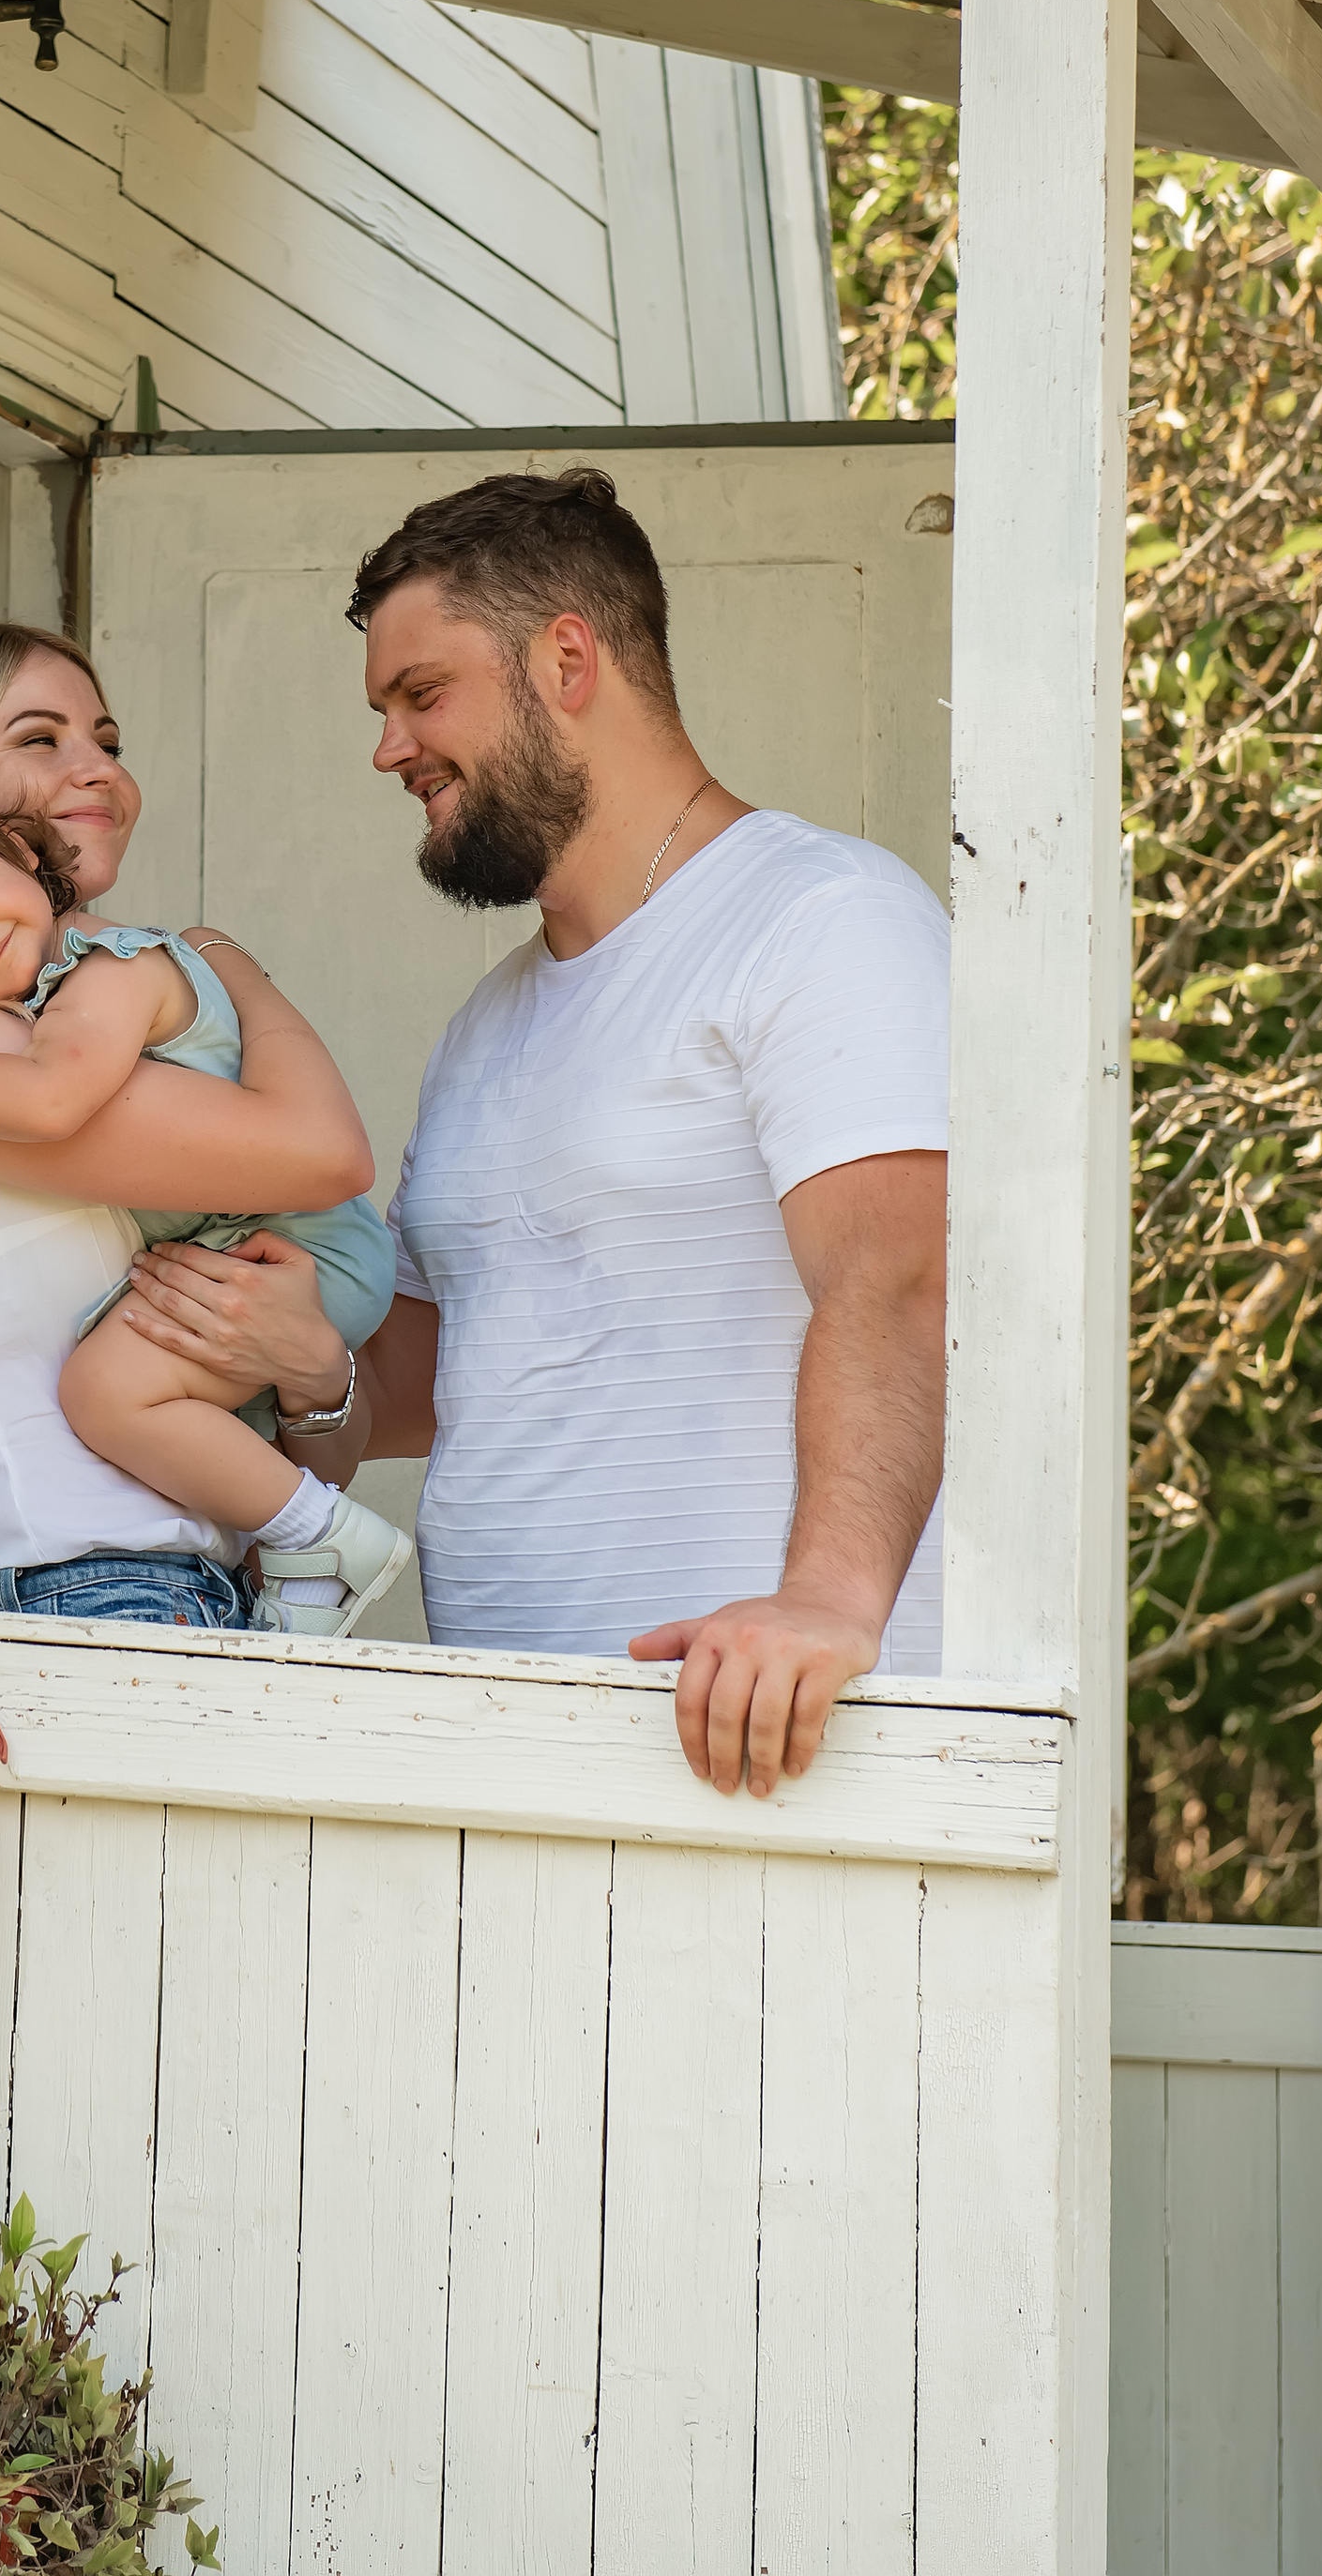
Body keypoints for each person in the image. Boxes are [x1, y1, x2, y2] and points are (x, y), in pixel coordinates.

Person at [115, 470, 950, 1800]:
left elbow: (901, 1280)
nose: (389, 748)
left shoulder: (821, 918)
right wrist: (307, 1364)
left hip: (770, 1750)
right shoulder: (489, 1024)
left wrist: (830, 1604)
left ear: (567, 659)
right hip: (521, 1761)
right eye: (383, 710)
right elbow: (423, 1382)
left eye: (422, 695)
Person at [0, 623, 388, 1629]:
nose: (96, 770)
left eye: (106, 737)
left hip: (171, 1585)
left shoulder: (45, 1021)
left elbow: (299, 1440)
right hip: (92, 1589)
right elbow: (323, 1152)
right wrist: (224, 961)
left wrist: (315, 1372)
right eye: (40, 739)